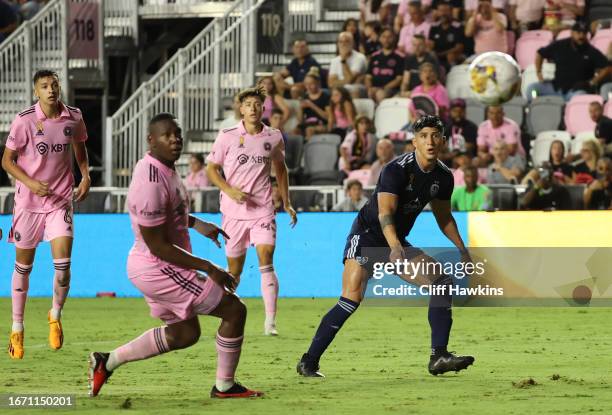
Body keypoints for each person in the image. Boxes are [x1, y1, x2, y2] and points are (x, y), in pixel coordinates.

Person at [88, 113, 263, 399]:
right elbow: (157, 245)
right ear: (150, 140)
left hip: (153, 265)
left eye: (177, 134)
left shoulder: (163, 169)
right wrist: (209, 268)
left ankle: (108, 361)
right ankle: (225, 387)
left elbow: (170, 214)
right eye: (167, 135)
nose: (175, 140)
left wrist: (199, 225)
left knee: (185, 335)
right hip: (158, 266)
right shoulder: (150, 182)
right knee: (234, 310)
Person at [297, 115, 474, 378]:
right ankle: (309, 361)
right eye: (423, 136)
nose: (430, 141)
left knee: (441, 281)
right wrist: (394, 247)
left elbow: (444, 217)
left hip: (396, 241)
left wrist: (462, 249)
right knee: (351, 299)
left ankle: (439, 356)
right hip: (368, 235)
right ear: (414, 142)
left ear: (443, 141)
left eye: (435, 135)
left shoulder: (444, 177)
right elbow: (385, 214)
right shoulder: (396, 170)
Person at [3, 70, 90, 359]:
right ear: (35, 92)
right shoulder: (24, 120)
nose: (51, 90)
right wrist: (29, 182)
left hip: (59, 201)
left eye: (54, 85)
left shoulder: (73, 117)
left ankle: (55, 315)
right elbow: (7, 160)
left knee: (63, 266)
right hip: (28, 203)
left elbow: (80, 148)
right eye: (44, 86)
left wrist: (86, 175)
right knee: (23, 268)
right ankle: (17, 327)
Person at [206, 87, 297, 336]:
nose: (253, 108)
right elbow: (211, 169)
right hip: (233, 212)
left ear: (263, 107)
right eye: (248, 104)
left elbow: (281, 168)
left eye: (257, 104)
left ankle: (270, 322)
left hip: (263, 210)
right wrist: (229, 190)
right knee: (233, 271)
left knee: (266, 259)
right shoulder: (227, 136)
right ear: (241, 109)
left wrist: (286, 202)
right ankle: (225, 314)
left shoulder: (274, 136)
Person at [527, 21, 611, 102]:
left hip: (576, 91)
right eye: (578, 33)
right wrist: (538, 72)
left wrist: (592, 82)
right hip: (556, 87)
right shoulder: (560, 45)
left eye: (584, 33)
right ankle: (536, 108)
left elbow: (606, 67)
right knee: (532, 89)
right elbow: (540, 53)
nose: (581, 36)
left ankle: (570, 113)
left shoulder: (591, 51)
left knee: (580, 97)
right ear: (572, 33)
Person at [365, 27, 404, 104]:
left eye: (389, 37)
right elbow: (368, 77)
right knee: (368, 93)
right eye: (384, 37)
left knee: (380, 94)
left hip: (390, 89)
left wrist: (382, 88)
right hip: (374, 88)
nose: (386, 39)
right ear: (379, 39)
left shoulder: (400, 57)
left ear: (394, 39)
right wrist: (369, 88)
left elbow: (399, 79)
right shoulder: (374, 56)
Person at [427, 0, 465, 71]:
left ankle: (453, 73)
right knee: (430, 54)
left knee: (451, 55)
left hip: (452, 56)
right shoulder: (434, 27)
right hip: (437, 57)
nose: (443, 14)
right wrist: (431, 51)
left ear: (451, 12)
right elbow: (430, 45)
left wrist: (441, 54)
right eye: (441, 11)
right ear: (437, 12)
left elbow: (459, 48)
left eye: (446, 11)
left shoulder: (458, 26)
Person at [328, 32, 368, 98]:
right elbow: (331, 83)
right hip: (341, 88)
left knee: (350, 89)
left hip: (358, 88)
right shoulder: (334, 60)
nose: (343, 44)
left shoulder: (360, 57)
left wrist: (343, 60)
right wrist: (345, 81)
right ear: (338, 44)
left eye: (346, 41)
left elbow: (350, 79)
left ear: (352, 43)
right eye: (340, 42)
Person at [295, 69, 330, 140]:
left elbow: (328, 117)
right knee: (294, 132)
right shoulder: (305, 97)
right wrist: (300, 108)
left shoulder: (325, 96)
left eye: (311, 84)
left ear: (318, 83)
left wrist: (312, 105)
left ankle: (309, 150)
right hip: (308, 123)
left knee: (309, 130)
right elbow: (300, 121)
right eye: (306, 84)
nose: (308, 87)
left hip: (322, 124)